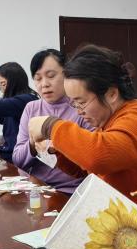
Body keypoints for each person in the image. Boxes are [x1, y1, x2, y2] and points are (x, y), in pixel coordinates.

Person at [27, 44, 137, 213]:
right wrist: (56, 151)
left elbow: (98, 157)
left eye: (81, 102)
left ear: (111, 94)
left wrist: (50, 126)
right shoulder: (108, 123)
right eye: (74, 103)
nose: (78, 111)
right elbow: (86, 170)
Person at [13, 49, 91, 192]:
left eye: (51, 76)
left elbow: (91, 160)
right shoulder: (31, 108)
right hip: (37, 188)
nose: (44, 84)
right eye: (38, 78)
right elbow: (18, 159)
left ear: (67, 74)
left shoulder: (81, 107)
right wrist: (33, 143)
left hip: (72, 191)